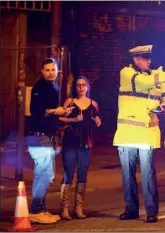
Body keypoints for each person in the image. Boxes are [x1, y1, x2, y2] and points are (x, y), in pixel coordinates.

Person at [113, 45, 165, 223]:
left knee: (148, 175)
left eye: (150, 58)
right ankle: (130, 209)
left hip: (147, 133)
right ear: (136, 59)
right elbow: (143, 83)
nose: (149, 61)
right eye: (145, 58)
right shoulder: (126, 73)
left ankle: (151, 212)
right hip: (127, 134)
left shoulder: (155, 76)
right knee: (127, 175)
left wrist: (163, 106)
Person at [28, 58, 73, 224]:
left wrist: (63, 113)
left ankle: (41, 209)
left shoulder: (54, 87)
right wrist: (56, 110)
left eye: (53, 70)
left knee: (43, 174)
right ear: (42, 71)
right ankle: (36, 210)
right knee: (47, 174)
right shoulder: (39, 87)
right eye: (47, 70)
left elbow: (53, 113)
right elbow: (37, 111)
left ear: (57, 70)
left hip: (47, 136)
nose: (50, 73)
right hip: (39, 136)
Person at [58, 76, 101, 220]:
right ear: (75, 88)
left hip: (86, 143)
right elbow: (60, 117)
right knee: (68, 174)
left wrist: (98, 121)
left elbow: (98, 122)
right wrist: (73, 120)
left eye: (83, 85)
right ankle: (64, 209)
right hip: (70, 143)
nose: (81, 87)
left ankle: (78, 207)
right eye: (78, 85)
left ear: (87, 87)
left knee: (82, 176)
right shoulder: (70, 101)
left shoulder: (93, 104)